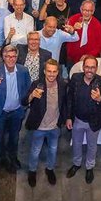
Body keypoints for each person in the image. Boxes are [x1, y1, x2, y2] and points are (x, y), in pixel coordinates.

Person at [66, 55, 101, 184]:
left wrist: (99, 99)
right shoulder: (76, 78)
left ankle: (89, 167)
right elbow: (69, 99)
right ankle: (76, 164)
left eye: (92, 67)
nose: (89, 70)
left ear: (96, 68)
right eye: (87, 67)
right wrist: (68, 117)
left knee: (92, 146)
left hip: (94, 122)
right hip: (77, 120)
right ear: (83, 67)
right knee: (76, 143)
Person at [0, 45, 31, 173]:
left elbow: (28, 89)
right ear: (3, 57)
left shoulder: (23, 71)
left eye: (13, 56)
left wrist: (24, 106)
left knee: (14, 137)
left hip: (17, 111)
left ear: (17, 57)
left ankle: (12, 157)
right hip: (1, 112)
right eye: (8, 56)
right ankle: (0, 158)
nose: (11, 59)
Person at [24, 59, 67, 187]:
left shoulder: (62, 85)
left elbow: (65, 103)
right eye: (49, 71)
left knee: (53, 150)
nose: (51, 74)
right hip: (39, 126)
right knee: (35, 151)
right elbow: (24, 101)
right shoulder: (37, 84)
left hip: (55, 126)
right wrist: (32, 96)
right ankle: (32, 171)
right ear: (44, 71)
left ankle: (50, 169)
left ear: (58, 72)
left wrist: (66, 119)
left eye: (54, 71)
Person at [65, 0, 101, 65]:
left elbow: (100, 46)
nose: (86, 13)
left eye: (89, 11)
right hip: (72, 58)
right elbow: (64, 36)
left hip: (90, 61)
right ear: (81, 10)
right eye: (85, 10)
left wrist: (88, 55)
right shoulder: (73, 19)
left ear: (93, 12)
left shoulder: (97, 25)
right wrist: (73, 30)